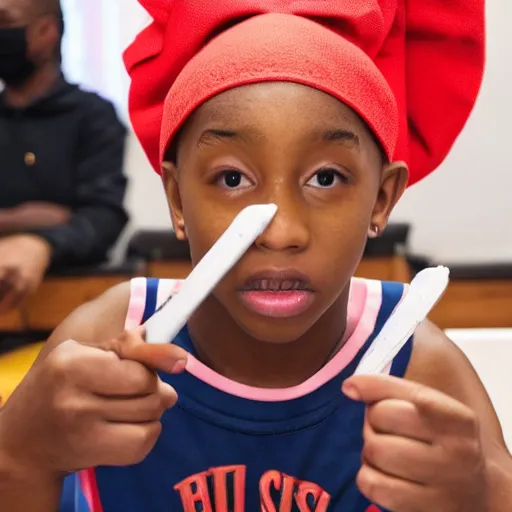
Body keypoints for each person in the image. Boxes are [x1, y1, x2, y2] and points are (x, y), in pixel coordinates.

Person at [1, 1, 511, 511]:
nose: (281, 233)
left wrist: (479, 497)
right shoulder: (99, 342)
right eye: (232, 179)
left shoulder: (422, 367)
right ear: (177, 199)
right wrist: (20, 456)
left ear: (382, 198)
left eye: (326, 178)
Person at [0, 0, 128, 313]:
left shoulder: (93, 117)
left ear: (46, 31)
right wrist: (32, 218)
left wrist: (41, 244)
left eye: (4, 21)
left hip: (71, 312)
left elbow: (103, 219)